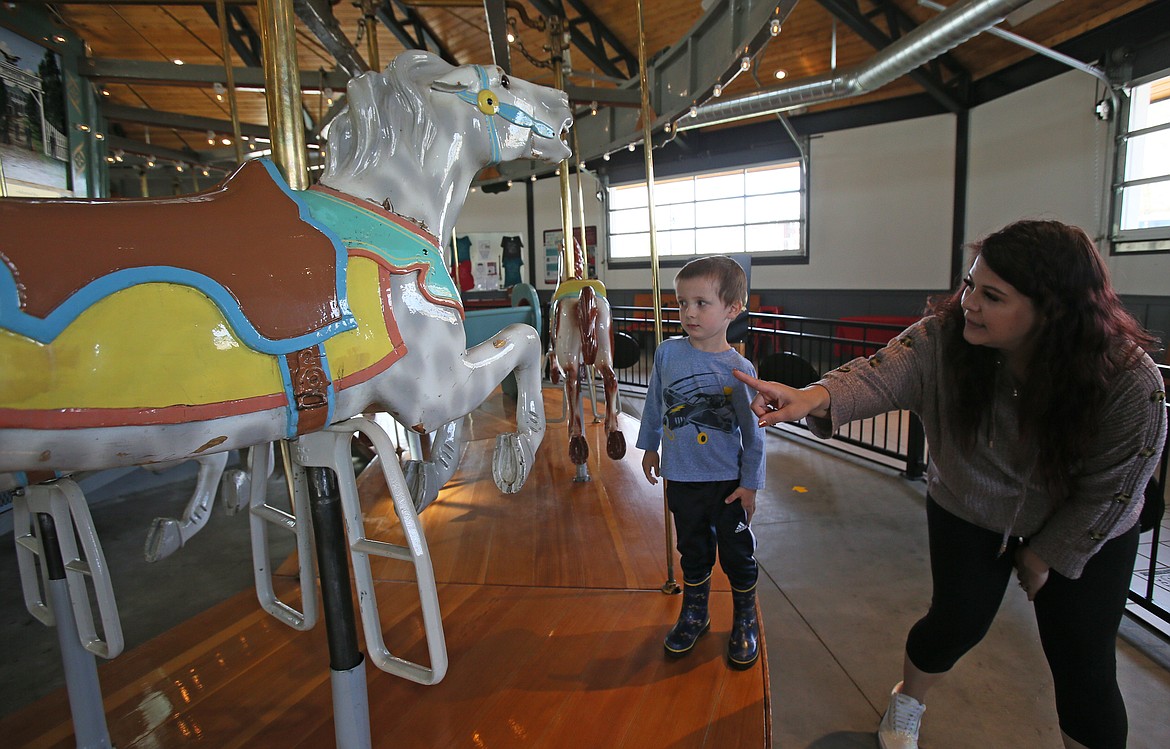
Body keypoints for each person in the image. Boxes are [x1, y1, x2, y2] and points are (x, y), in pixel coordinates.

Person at [734, 220, 1166, 749]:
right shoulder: (944, 339)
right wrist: (813, 396)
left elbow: (1116, 485)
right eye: (969, 284)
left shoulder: (1125, 378)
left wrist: (1047, 554)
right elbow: (879, 373)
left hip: (1087, 524)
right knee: (955, 622)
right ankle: (905, 705)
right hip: (971, 505)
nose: (969, 303)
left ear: (1052, 310)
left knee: (1084, 660)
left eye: (992, 296)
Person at [637, 256, 767, 669]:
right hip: (682, 476)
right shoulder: (667, 354)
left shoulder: (739, 369)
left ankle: (745, 616)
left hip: (727, 481)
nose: (688, 313)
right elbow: (656, 402)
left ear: (732, 309)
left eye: (701, 303)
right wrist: (650, 445)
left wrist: (751, 483)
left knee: (736, 552)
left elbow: (754, 432)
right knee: (692, 548)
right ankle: (695, 612)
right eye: (681, 303)